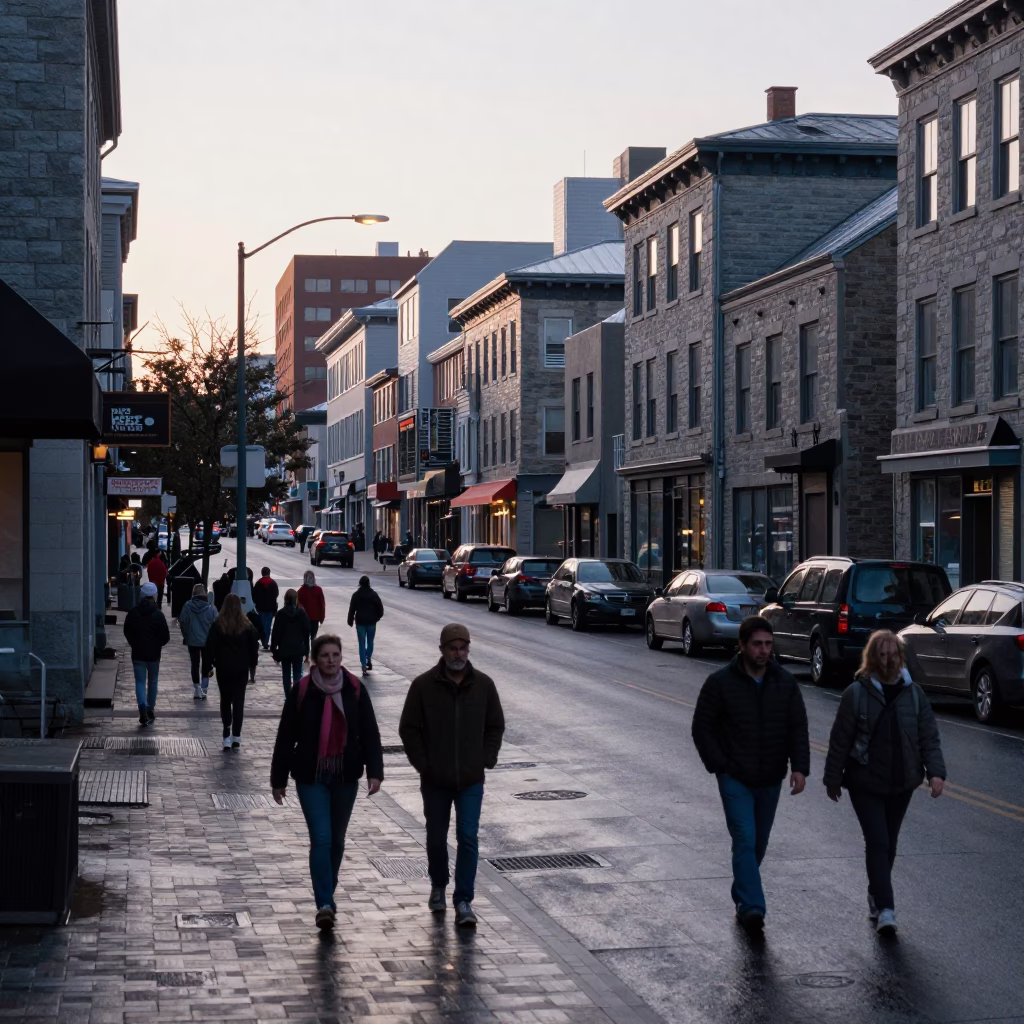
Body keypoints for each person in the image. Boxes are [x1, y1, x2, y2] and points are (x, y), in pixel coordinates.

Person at [691, 616, 809, 934]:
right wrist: (720, 765)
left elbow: (797, 727)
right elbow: (702, 728)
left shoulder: (784, 683)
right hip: (735, 777)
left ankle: (742, 893)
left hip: (770, 775)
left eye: (768, 644)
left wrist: (799, 767)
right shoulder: (720, 683)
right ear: (741, 645)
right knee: (744, 837)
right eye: (757, 644)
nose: (763, 650)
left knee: (758, 843)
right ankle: (753, 908)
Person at [823, 630, 946, 936]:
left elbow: (928, 736)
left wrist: (936, 773)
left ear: (900, 656)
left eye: (893, 654)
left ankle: (876, 893)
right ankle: (886, 910)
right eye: (882, 654)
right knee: (878, 842)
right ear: (872, 657)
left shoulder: (914, 694)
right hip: (865, 781)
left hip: (902, 781)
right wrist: (832, 778)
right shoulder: (856, 693)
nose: (889, 659)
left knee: (889, 844)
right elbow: (840, 739)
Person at [271, 633, 384, 931]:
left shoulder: (355, 689)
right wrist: (277, 780)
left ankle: (327, 895)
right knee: (321, 838)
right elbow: (286, 736)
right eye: (324, 656)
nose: (330, 661)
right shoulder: (303, 690)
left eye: (335, 655)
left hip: (345, 774)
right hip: (311, 776)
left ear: (341, 658)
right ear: (314, 659)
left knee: (336, 840)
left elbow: (370, 733)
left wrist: (375, 771)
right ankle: (324, 903)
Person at [399, 623, 505, 927]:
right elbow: (408, 728)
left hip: (471, 779)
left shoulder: (484, 685)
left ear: (468, 650)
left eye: (463, 648)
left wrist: (487, 757)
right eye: (452, 648)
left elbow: (495, 724)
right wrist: (424, 764)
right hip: (436, 779)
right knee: (435, 837)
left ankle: (464, 900)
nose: (458, 654)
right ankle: (438, 884)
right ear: (442, 650)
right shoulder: (423, 686)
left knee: (468, 837)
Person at [205, 593, 259, 750]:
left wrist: (208, 666)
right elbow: (253, 648)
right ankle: (237, 735)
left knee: (225, 700)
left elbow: (210, 647)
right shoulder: (247, 626)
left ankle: (226, 733)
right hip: (241, 669)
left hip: (224, 668)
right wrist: (252, 665)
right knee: (239, 701)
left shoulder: (218, 624)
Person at [123, 581, 170, 727]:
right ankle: (150, 708)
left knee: (140, 681)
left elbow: (127, 631)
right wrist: (157, 644)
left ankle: (142, 707)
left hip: (138, 653)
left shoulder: (133, 613)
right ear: (154, 596)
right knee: (153, 681)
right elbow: (166, 636)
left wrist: (134, 643)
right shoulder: (158, 615)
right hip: (154, 654)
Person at [179, 583, 218, 700]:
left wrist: (187, 634)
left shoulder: (187, 606)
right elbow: (217, 623)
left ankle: (196, 689)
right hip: (207, 640)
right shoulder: (210, 607)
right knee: (206, 664)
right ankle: (204, 688)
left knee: (194, 664)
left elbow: (182, 621)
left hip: (192, 639)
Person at [271, 589, 311, 697]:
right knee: (298, 673)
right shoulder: (301, 613)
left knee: (286, 673)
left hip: (285, 649)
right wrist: (307, 649)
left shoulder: (281, 614)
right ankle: (297, 695)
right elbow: (306, 632)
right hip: (298, 648)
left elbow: (275, 633)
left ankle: (288, 696)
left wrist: (274, 649)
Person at [347, 575, 384, 674]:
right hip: (371, 622)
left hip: (360, 623)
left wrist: (350, 620)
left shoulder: (356, 595)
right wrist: (377, 617)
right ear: (368, 583)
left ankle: (363, 664)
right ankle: (368, 657)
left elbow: (352, 609)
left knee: (362, 644)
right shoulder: (373, 595)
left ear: (360, 584)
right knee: (370, 642)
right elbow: (380, 608)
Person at [252, 566, 279, 651]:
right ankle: (266, 641)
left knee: (261, 624)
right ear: (269, 573)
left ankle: (263, 639)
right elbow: (276, 594)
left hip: (260, 608)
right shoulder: (273, 583)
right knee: (268, 625)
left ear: (262, 573)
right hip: (271, 608)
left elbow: (254, 596)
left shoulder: (258, 583)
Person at [297, 570, 326, 643]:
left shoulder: (301, 590)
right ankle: (312, 651)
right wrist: (322, 617)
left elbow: (297, 604)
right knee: (313, 636)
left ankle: (307, 651)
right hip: (313, 618)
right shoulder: (317, 590)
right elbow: (322, 605)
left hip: (306, 618)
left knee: (306, 636)